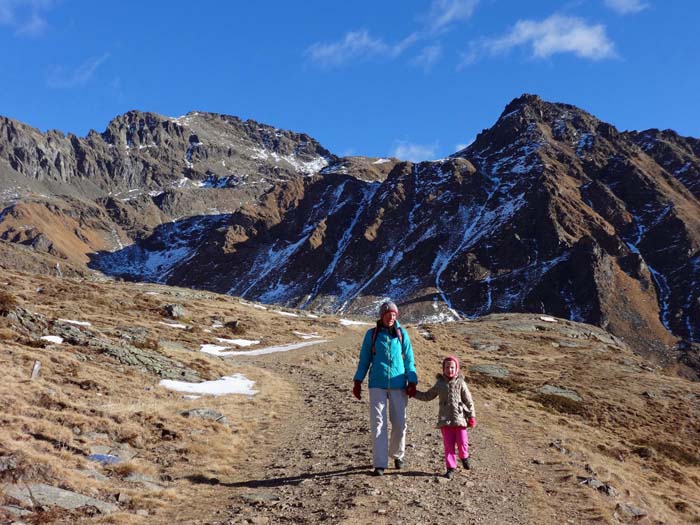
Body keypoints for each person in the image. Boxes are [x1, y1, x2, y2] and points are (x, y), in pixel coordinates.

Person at [352, 301, 417, 476]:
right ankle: (380, 463)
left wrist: (412, 380)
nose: (391, 317)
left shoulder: (402, 334)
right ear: (382, 315)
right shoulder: (371, 335)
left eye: (394, 314)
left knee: (400, 424)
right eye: (388, 314)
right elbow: (364, 360)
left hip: (398, 383)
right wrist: (358, 381)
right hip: (377, 383)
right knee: (378, 424)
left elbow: (409, 359)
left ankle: (397, 454)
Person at [410, 355, 476, 479]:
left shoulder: (461, 383)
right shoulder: (439, 384)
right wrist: (414, 393)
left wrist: (471, 416)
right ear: (443, 368)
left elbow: (469, 401)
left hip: (460, 420)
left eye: (452, 367)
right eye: (447, 367)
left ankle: (464, 456)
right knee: (448, 446)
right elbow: (428, 396)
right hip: (445, 421)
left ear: (456, 368)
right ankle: (451, 468)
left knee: (463, 443)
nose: (449, 370)